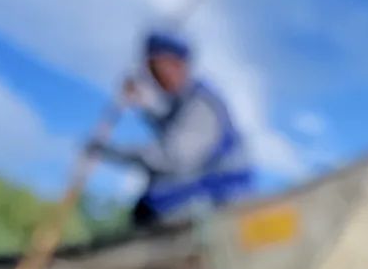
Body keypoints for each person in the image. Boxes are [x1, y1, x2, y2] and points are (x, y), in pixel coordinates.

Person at [90, 32, 253, 225]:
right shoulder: (182, 102)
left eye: (157, 71)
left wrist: (111, 153)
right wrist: (143, 103)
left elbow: (173, 157)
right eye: (151, 72)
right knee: (146, 206)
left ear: (177, 65)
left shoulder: (202, 104)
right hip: (204, 194)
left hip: (220, 200)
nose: (156, 79)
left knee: (150, 207)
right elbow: (168, 122)